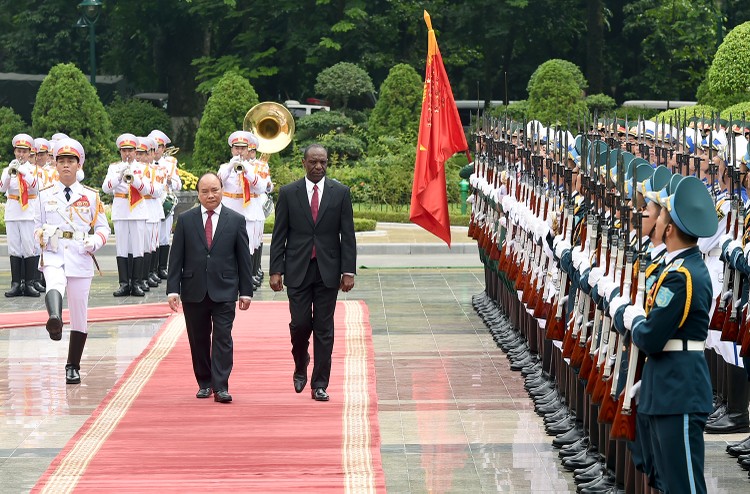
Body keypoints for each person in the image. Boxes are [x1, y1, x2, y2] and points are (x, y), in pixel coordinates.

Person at [611, 175, 717, 494]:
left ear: (668, 229)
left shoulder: (682, 276)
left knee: (684, 486)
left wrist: (632, 319)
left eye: (661, 218)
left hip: (679, 389)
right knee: (665, 481)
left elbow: (652, 336)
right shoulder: (678, 270)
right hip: (666, 386)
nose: (655, 222)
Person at [269, 143, 356, 401]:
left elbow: (347, 235)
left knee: (324, 327)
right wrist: (276, 270)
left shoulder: (340, 192)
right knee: (299, 324)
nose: (319, 167)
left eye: (323, 162)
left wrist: (348, 271)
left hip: (328, 271)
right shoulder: (288, 193)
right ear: (304, 162)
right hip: (298, 269)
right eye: (314, 162)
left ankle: (320, 383)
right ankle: (300, 361)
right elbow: (279, 235)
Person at [166, 172, 254, 403]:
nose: (210, 195)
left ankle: (221, 386)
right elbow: (176, 258)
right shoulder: (186, 220)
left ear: (222, 190)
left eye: (214, 190)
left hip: (225, 289)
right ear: (198, 194)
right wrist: (173, 290)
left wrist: (246, 291)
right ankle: (204, 382)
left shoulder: (235, 220)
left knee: (223, 337)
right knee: (199, 339)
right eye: (205, 191)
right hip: (194, 289)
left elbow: (244, 259)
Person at [34, 138, 110, 383]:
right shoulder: (45, 196)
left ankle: (72, 365)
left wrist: (95, 242)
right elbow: (36, 226)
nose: (66, 165)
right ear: (55, 165)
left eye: (71, 161)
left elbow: (103, 228)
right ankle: (54, 319)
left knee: (79, 311)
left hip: (79, 254)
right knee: (53, 282)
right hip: (54, 252)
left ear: (79, 165)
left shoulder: (90, 196)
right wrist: (41, 235)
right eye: (62, 161)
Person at [102, 133, 155, 297]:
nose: (127, 154)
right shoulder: (114, 167)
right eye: (124, 150)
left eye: (130, 150)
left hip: (138, 210)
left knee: (138, 248)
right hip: (121, 210)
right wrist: (120, 176)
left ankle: (137, 283)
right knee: (122, 249)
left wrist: (134, 178)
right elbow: (105, 188)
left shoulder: (143, 168)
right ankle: (124, 284)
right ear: (120, 151)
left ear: (135, 150)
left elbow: (147, 190)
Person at [217, 131, 272, 291]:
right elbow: (218, 181)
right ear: (231, 149)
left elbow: (262, 187)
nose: (239, 151)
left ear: (249, 150)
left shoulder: (253, 168)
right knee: (227, 247)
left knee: (247, 248)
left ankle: (244, 280)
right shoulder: (224, 167)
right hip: (229, 213)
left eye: (243, 148)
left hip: (247, 213)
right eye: (236, 148)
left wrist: (246, 170)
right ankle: (227, 279)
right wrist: (231, 166)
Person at [1, 134, 41, 297]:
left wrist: (24, 171)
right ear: (15, 151)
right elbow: (2, 188)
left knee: (29, 248)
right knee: (14, 249)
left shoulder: (33, 170)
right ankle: (16, 284)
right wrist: (8, 173)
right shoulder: (8, 169)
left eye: (24, 152)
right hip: (12, 212)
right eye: (18, 151)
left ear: (29, 152)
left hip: (28, 212)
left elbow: (36, 187)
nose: (20, 155)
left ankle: (30, 283)